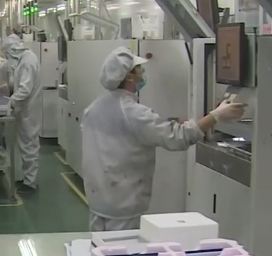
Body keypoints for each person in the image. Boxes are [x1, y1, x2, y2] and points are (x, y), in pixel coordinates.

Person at [81, 46, 246, 231]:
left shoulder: (94, 108)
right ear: (129, 77)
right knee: (121, 247)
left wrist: (170, 122)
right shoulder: (134, 113)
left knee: (100, 245)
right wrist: (216, 116)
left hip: (99, 202)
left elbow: (125, 134)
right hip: (123, 205)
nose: (143, 73)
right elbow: (177, 138)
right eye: (139, 69)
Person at [0, 35, 42, 193]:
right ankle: (27, 178)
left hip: (28, 110)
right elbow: (20, 83)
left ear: (13, 49)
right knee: (25, 145)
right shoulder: (23, 59)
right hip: (24, 109)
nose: (7, 56)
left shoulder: (28, 61)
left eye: (7, 52)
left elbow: (25, 89)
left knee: (29, 145)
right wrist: (9, 87)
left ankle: (30, 183)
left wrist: (9, 101)